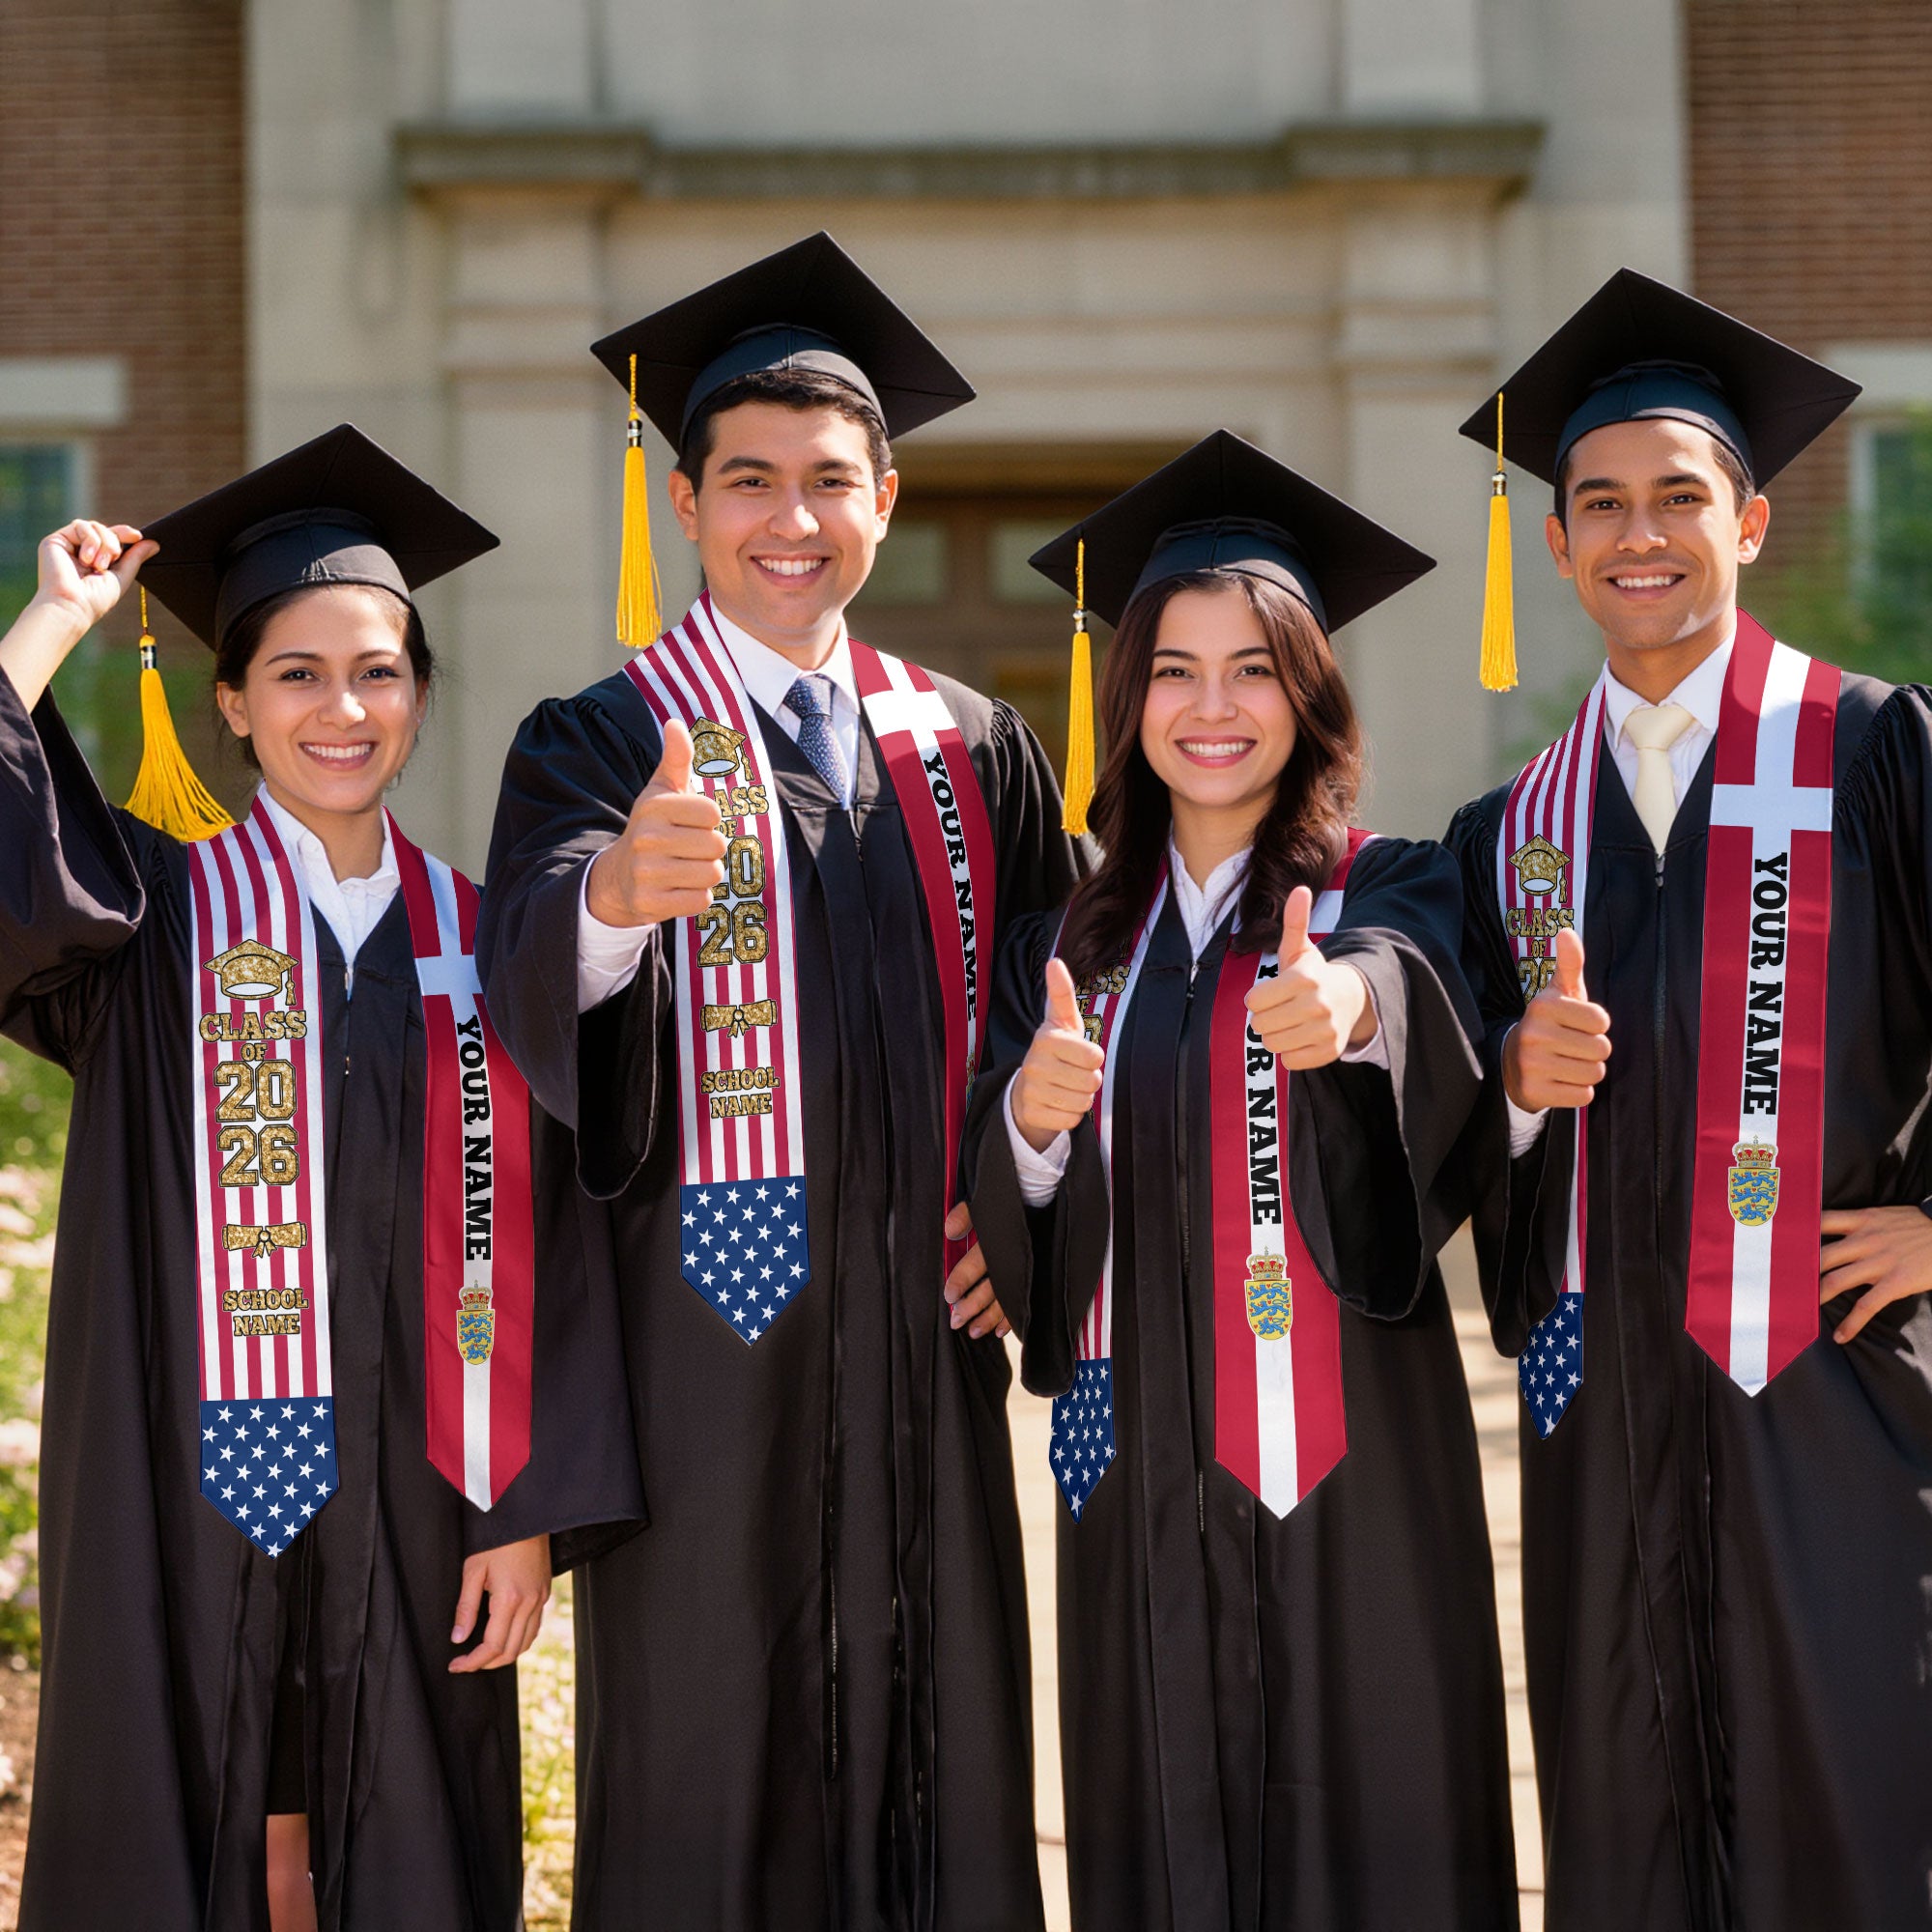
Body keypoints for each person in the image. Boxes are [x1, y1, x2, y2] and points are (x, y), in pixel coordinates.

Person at [478, 233, 1083, 1931]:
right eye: (749, 481)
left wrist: (1027, 1195)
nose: (790, 519)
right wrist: (610, 900)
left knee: (943, 1756)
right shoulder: (599, 739)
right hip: (705, 1367)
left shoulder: (972, 743)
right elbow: (530, 976)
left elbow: (1078, 998)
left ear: (886, 498)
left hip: (922, 1353)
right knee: (709, 1772)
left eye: (831, 481)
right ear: (687, 504)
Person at [0, 425, 642, 1932]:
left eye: (378, 671)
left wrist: (526, 1506)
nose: (340, 708)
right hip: (183, 1480)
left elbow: (560, 1237)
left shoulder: (496, 945)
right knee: (191, 1803)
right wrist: (50, 625)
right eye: (295, 673)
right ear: (230, 701)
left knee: (407, 1831)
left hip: (429, 1495)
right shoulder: (146, 921)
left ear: (420, 694)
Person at [965, 431, 1519, 1930]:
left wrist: (1349, 1013)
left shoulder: (1390, 886)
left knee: (1378, 1829)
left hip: (1352, 1473)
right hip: (1132, 1466)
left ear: (1311, 693)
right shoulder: (1067, 945)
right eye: (1175, 671)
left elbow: (1415, 992)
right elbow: (1012, 1199)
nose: (1215, 709)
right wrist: (1028, 1115)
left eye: (1256, 669)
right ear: (1127, 697)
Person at [1445, 270, 1932, 1931]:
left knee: (1854, 1801)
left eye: (1678, 497)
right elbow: (1443, 1129)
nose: (1637, 534)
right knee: (1624, 1815)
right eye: (1599, 504)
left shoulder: (1875, 752)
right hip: (1603, 1413)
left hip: (1834, 1388)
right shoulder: (1511, 831)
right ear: (1561, 543)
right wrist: (1510, 1087)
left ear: (1752, 520)